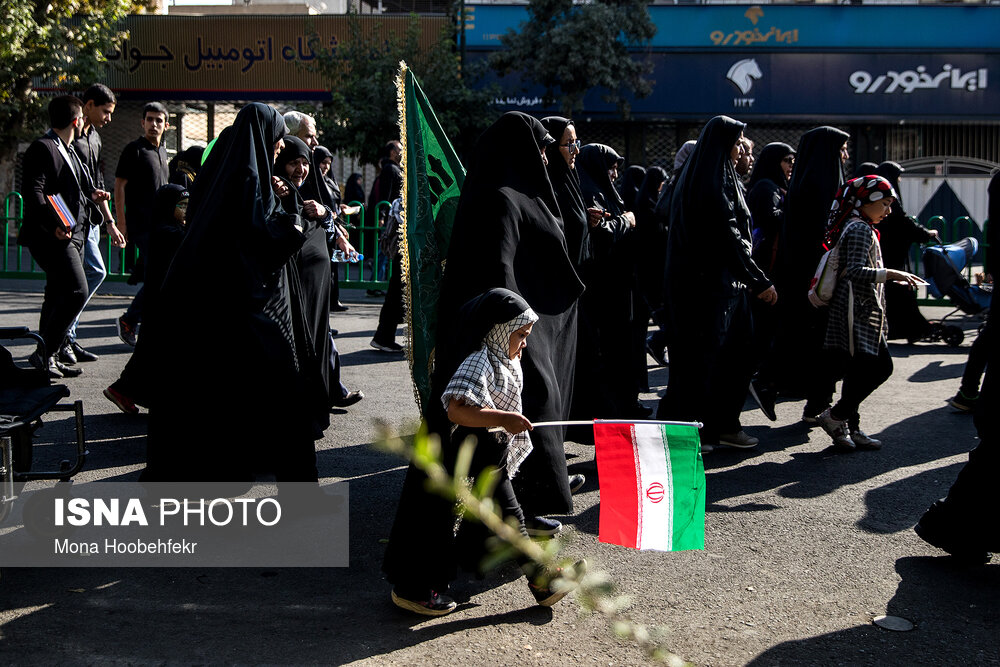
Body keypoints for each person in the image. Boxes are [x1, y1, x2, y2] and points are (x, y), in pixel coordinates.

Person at [138, 103, 319, 482]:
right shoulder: (248, 182)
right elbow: (263, 243)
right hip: (243, 308)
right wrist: (296, 217)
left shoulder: (228, 176)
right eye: (276, 140)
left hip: (216, 308)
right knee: (281, 387)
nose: (280, 148)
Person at [383, 288, 580, 615]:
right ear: (498, 331)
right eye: (520, 335)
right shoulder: (478, 361)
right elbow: (456, 410)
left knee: (511, 517)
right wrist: (504, 418)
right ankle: (413, 590)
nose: (525, 343)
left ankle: (542, 580)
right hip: (466, 457)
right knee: (436, 520)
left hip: (490, 456)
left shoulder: (505, 358)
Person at [432, 112, 584, 534]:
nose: (545, 155)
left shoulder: (519, 191)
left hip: (522, 323)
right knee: (521, 406)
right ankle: (524, 506)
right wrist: (515, 329)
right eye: (539, 146)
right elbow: (497, 269)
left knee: (534, 405)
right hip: (505, 326)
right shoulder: (498, 197)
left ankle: (536, 493)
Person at [655, 115, 776, 451]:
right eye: (737, 143)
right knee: (700, 362)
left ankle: (723, 425)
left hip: (727, 289)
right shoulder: (708, 181)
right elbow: (729, 234)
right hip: (704, 289)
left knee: (738, 356)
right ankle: (689, 432)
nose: (741, 150)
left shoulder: (723, 177)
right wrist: (758, 279)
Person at [814, 175, 923, 450]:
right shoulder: (860, 228)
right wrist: (893, 274)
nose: (888, 212)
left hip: (856, 309)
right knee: (879, 367)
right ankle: (837, 416)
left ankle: (847, 425)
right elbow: (855, 271)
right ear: (866, 201)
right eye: (885, 204)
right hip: (855, 310)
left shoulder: (856, 225)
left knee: (858, 369)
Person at [19, 95, 112, 378]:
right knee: (77, 290)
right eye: (82, 118)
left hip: (76, 232)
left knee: (57, 293)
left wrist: (91, 195)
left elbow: (67, 189)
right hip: (55, 235)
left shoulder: (67, 149)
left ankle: (49, 356)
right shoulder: (43, 147)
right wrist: (54, 223)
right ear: (76, 120)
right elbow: (35, 191)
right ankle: (45, 353)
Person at [274, 136, 363, 411]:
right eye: (292, 163)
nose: (301, 169)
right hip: (290, 292)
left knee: (319, 339)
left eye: (305, 163)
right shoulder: (272, 192)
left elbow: (324, 225)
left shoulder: (306, 190)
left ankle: (325, 393)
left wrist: (325, 215)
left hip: (316, 288)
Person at [769, 126, 850, 417]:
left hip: (803, 274)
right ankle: (813, 399)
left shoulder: (804, 181)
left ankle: (814, 399)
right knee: (823, 342)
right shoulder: (821, 183)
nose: (845, 155)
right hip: (818, 278)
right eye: (841, 149)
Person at [104, 184, 190, 413]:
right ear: (167, 207)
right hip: (162, 303)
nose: (186, 210)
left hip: (164, 302)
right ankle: (125, 391)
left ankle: (124, 391)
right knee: (154, 353)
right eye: (181, 206)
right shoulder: (167, 232)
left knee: (151, 353)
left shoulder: (169, 228)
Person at [576, 143, 644, 417]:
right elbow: (603, 235)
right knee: (611, 348)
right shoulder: (591, 192)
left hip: (617, 282)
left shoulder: (604, 191)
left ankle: (624, 404)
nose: (615, 174)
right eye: (611, 167)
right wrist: (626, 221)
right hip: (603, 286)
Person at [64, 84, 126, 365]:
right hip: (71, 220)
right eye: (105, 111)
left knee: (94, 273)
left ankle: (68, 336)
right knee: (90, 274)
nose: (109, 118)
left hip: (91, 220)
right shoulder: (68, 138)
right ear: (87, 106)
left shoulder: (95, 139)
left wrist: (111, 222)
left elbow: (98, 184)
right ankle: (63, 337)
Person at [745, 142, 795, 420]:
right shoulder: (766, 187)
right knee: (765, 325)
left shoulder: (773, 186)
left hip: (769, 266)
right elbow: (769, 219)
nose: (790, 166)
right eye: (787, 160)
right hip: (767, 266)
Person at [114, 102, 170, 347]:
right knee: (159, 277)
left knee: (159, 277)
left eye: (159, 120)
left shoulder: (164, 151)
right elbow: (119, 186)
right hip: (142, 226)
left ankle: (145, 324)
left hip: (161, 226)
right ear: (142, 122)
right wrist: (121, 223)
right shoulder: (134, 150)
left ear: (166, 125)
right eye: (149, 119)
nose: (153, 124)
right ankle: (129, 320)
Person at [874, 161, 939, 342]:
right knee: (900, 292)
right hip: (892, 257)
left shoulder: (879, 198)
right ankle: (913, 329)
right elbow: (903, 224)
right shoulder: (889, 201)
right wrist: (926, 234)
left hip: (886, 254)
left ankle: (903, 329)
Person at [370, 140, 406, 353]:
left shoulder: (396, 169)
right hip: (401, 239)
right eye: (399, 150)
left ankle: (384, 335)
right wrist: (382, 216)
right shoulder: (391, 170)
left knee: (397, 288)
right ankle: (384, 336)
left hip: (401, 239)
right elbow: (387, 195)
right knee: (396, 289)